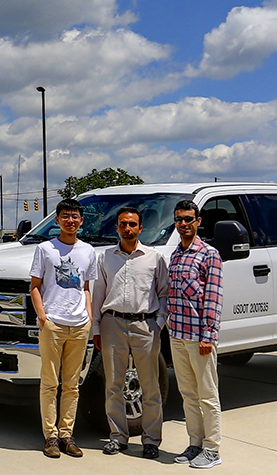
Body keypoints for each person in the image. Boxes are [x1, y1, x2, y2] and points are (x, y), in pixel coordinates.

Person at [90, 206, 168, 459]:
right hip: (113, 324)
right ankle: (117, 437)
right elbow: (98, 293)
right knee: (113, 385)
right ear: (117, 227)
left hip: (145, 326)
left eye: (132, 224)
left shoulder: (154, 257)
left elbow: (164, 293)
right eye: (123, 224)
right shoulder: (105, 257)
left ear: (140, 228)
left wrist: (158, 323)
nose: (127, 228)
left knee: (150, 386)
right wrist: (97, 327)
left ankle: (151, 440)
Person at [30, 198, 98, 458]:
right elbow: (35, 285)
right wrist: (43, 317)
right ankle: (51, 437)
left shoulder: (88, 251)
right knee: (49, 383)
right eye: (65, 216)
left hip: (79, 325)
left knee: (72, 385)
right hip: (53, 324)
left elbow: (86, 288)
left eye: (75, 216)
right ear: (57, 220)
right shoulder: (46, 249)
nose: (71, 220)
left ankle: (67, 434)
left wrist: (89, 316)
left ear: (81, 221)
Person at [167, 199, 224, 469]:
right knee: (188, 394)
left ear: (198, 221)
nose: (183, 224)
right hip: (177, 333)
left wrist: (208, 335)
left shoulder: (209, 254)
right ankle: (195, 443)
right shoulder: (176, 255)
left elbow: (213, 298)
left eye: (188, 219)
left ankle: (212, 449)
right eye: (179, 219)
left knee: (207, 395)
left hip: (199, 336)